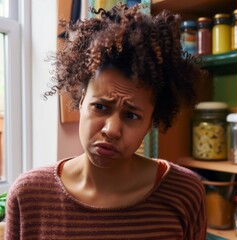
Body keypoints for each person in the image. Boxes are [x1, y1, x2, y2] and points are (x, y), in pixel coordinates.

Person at [5, 3, 207, 239]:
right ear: (81, 102)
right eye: (100, 107)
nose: (111, 130)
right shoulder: (29, 195)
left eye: (132, 115)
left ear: (151, 121)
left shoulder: (184, 193)